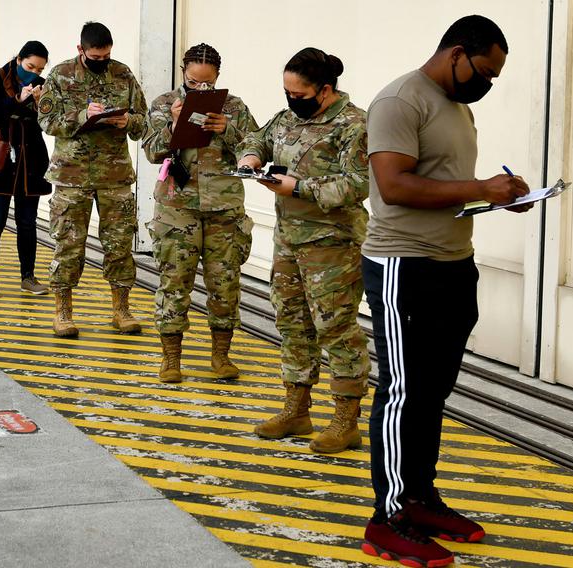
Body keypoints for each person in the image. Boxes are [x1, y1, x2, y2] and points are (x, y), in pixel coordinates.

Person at [360, 15, 531, 567]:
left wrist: (497, 197)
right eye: (484, 71)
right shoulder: (399, 101)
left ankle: (420, 497)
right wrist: (483, 186)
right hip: (403, 265)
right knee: (403, 390)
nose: (487, 83)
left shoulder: (458, 106)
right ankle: (387, 518)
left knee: (433, 390)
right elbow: (395, 184)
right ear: (457, 53)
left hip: (454, 263)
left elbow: (444, 185)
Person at [237, 48, 371, 454]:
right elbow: (258, 135)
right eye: (286, 91)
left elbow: (358, 184)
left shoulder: (354, 125)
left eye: (298, 93)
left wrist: (299, 187)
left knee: (336, 329)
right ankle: (297, 409)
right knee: (293, 324)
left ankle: (346, 421)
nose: (290, 99)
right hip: (289, 240)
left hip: (333, 245)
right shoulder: (289, 117)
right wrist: (251, 155)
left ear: (325, 90)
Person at [142, 44, 258, 383]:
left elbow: (256, 147)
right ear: (183, 73)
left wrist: (229, 131)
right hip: (177, 208)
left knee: (225, 285)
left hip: (224, 207)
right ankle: (171, 359)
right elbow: (149, 149)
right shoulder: (165, 104)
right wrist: (174, 125)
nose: (201, 90)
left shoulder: (234, 107)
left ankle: (221, 356)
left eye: (208, 84)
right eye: (194, 82)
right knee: (174, 283)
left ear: (218, 78)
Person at [37, 21, 149, 338]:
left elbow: (143, 123)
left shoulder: (123, 74)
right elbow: (47, 120)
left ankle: (121, 310)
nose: (102, 62)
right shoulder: (59, 75)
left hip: (115, 176)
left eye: (106, 56)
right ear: (81, 50)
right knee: (68, 246)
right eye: (95, 57)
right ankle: (62, 313)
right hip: (72, 176)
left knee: (120, 245)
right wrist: (84, 116)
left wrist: (128, 120)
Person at [0, 41, 52, 298]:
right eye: (30, 66)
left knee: (27, 223)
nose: (34, 72)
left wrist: (40, 105)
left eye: (39, 69)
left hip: (30, 162)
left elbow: (47, 124)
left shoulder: (41, 84)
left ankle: (28, 276)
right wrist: (19, 100)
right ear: (18, 59)